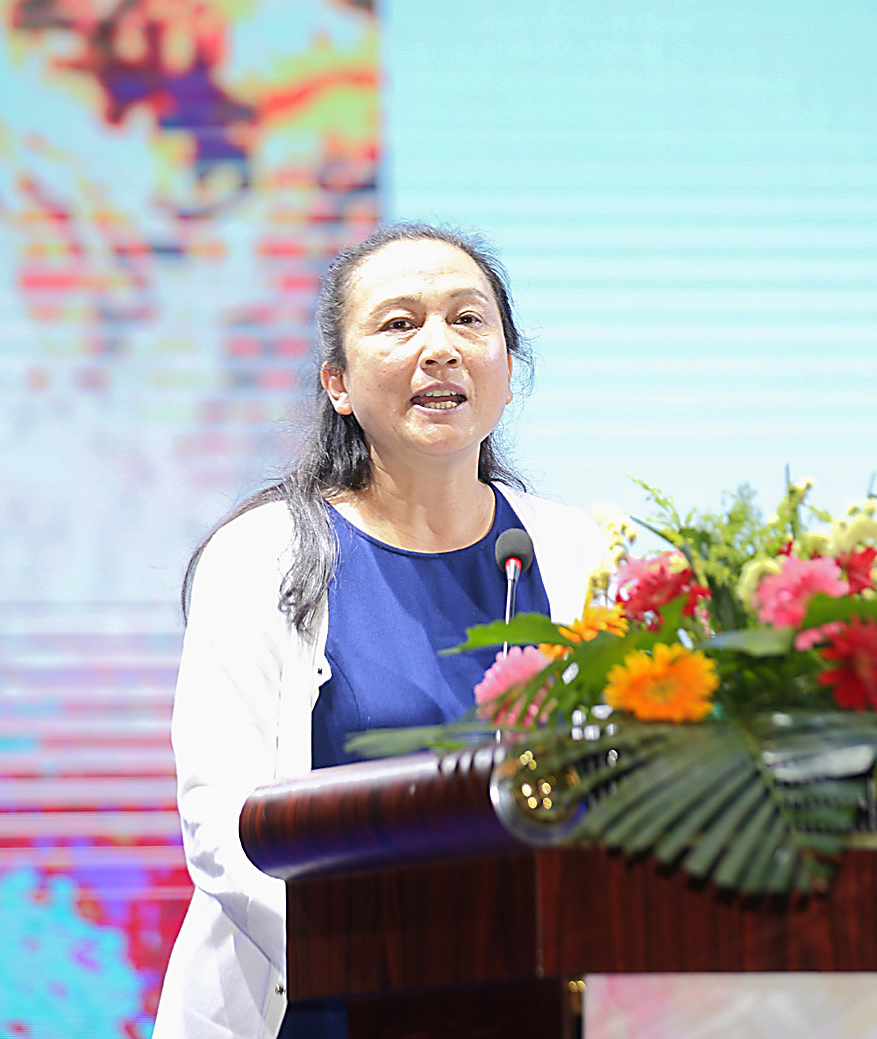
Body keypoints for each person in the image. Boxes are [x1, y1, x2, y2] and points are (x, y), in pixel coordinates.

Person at [153, 224, 605, 1038]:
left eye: (468, 320)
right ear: (338, 383)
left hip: (540, 1001)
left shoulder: (580, 553)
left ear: (508, 371)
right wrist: (402, 962)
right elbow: (223, 826)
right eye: (400, 323)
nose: (441, 348)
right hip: (324, 1000)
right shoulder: (262, 556)